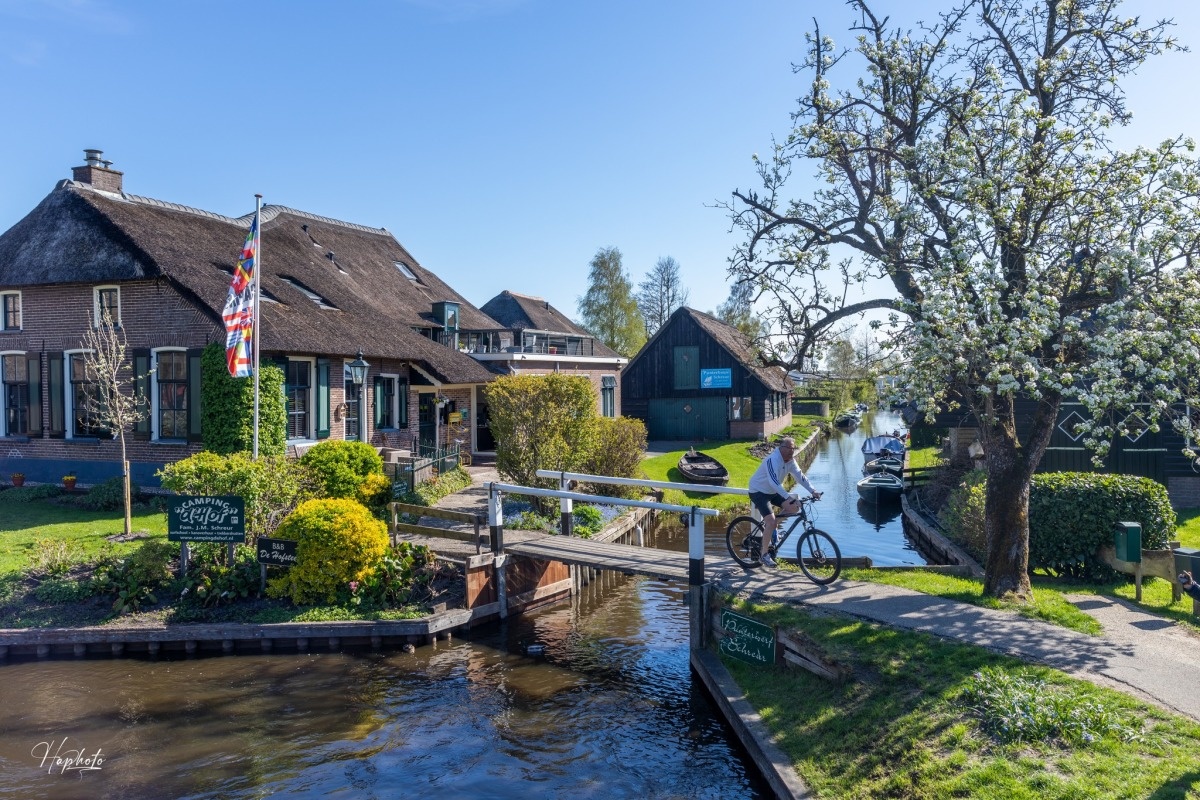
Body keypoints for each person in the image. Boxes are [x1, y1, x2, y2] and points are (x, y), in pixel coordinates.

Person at [747, 436, 822, 566]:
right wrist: (788, 497)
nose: (791, 451)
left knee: (794, 508)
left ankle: (771, 526)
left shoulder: (790, 461)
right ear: (781, 448)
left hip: (772, 491)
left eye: (793, 448)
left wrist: (813, 491)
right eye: (788, 448)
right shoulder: (773, 460)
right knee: (771, 521)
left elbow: (800, 477)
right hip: (758, 491)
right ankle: (764, 555)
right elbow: (773, 482)